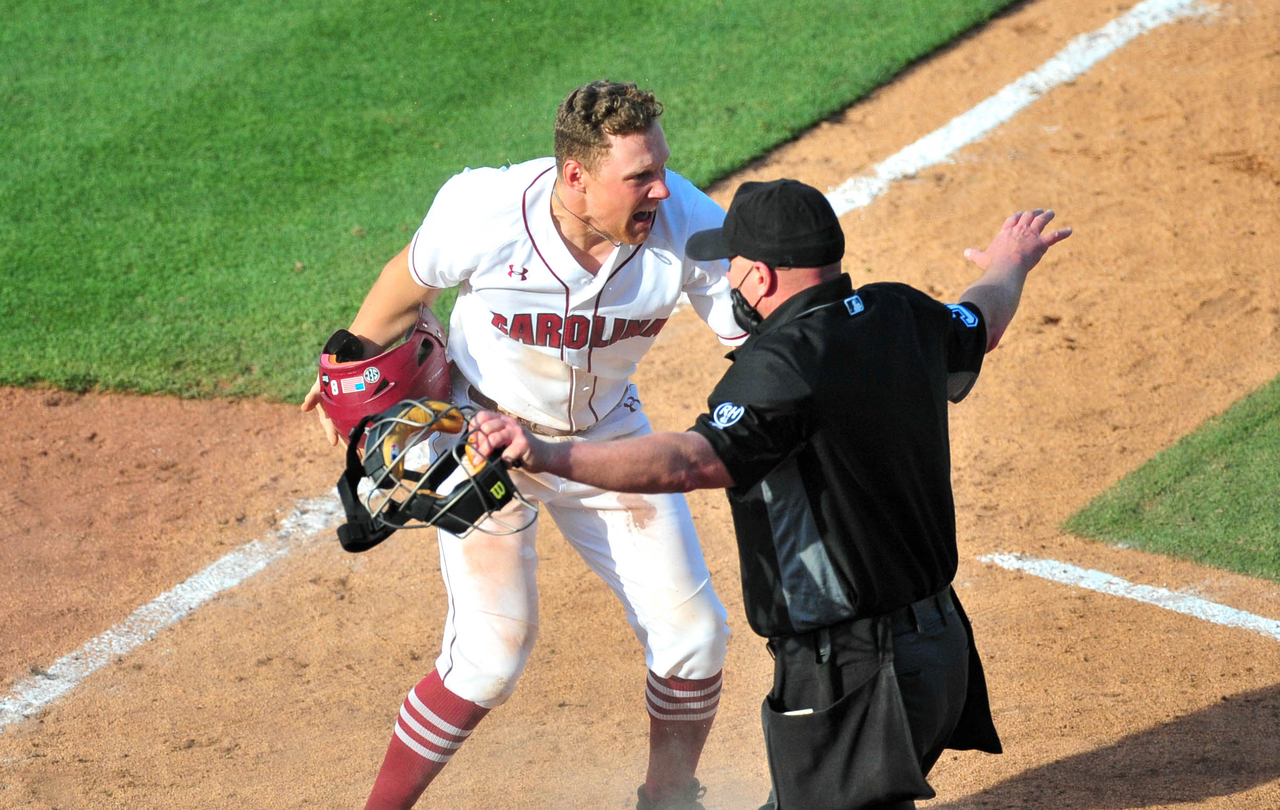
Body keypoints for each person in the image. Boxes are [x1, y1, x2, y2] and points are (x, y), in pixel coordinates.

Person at [471, 178, 1073, 809]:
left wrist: (547, 453)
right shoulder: (903, 312)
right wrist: (1011, 261)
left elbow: (690, 462)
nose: (727, 279)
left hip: (855, 678)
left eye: (732, 265)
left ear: (759, 278)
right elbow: (982, 318)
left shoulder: (779, 366)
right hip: (940, 650)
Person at [301, 80, 748, 810]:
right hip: (477, 442)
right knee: (488, 660)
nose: (662, 190)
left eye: (661, 168)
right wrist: (348, 366)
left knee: (695, 636)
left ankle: (669, 801)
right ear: (577, 176)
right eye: (640, 176)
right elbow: (400, 289)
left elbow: (755, 340)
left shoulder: (688, 224)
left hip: (607, 444)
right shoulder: (486, 210)